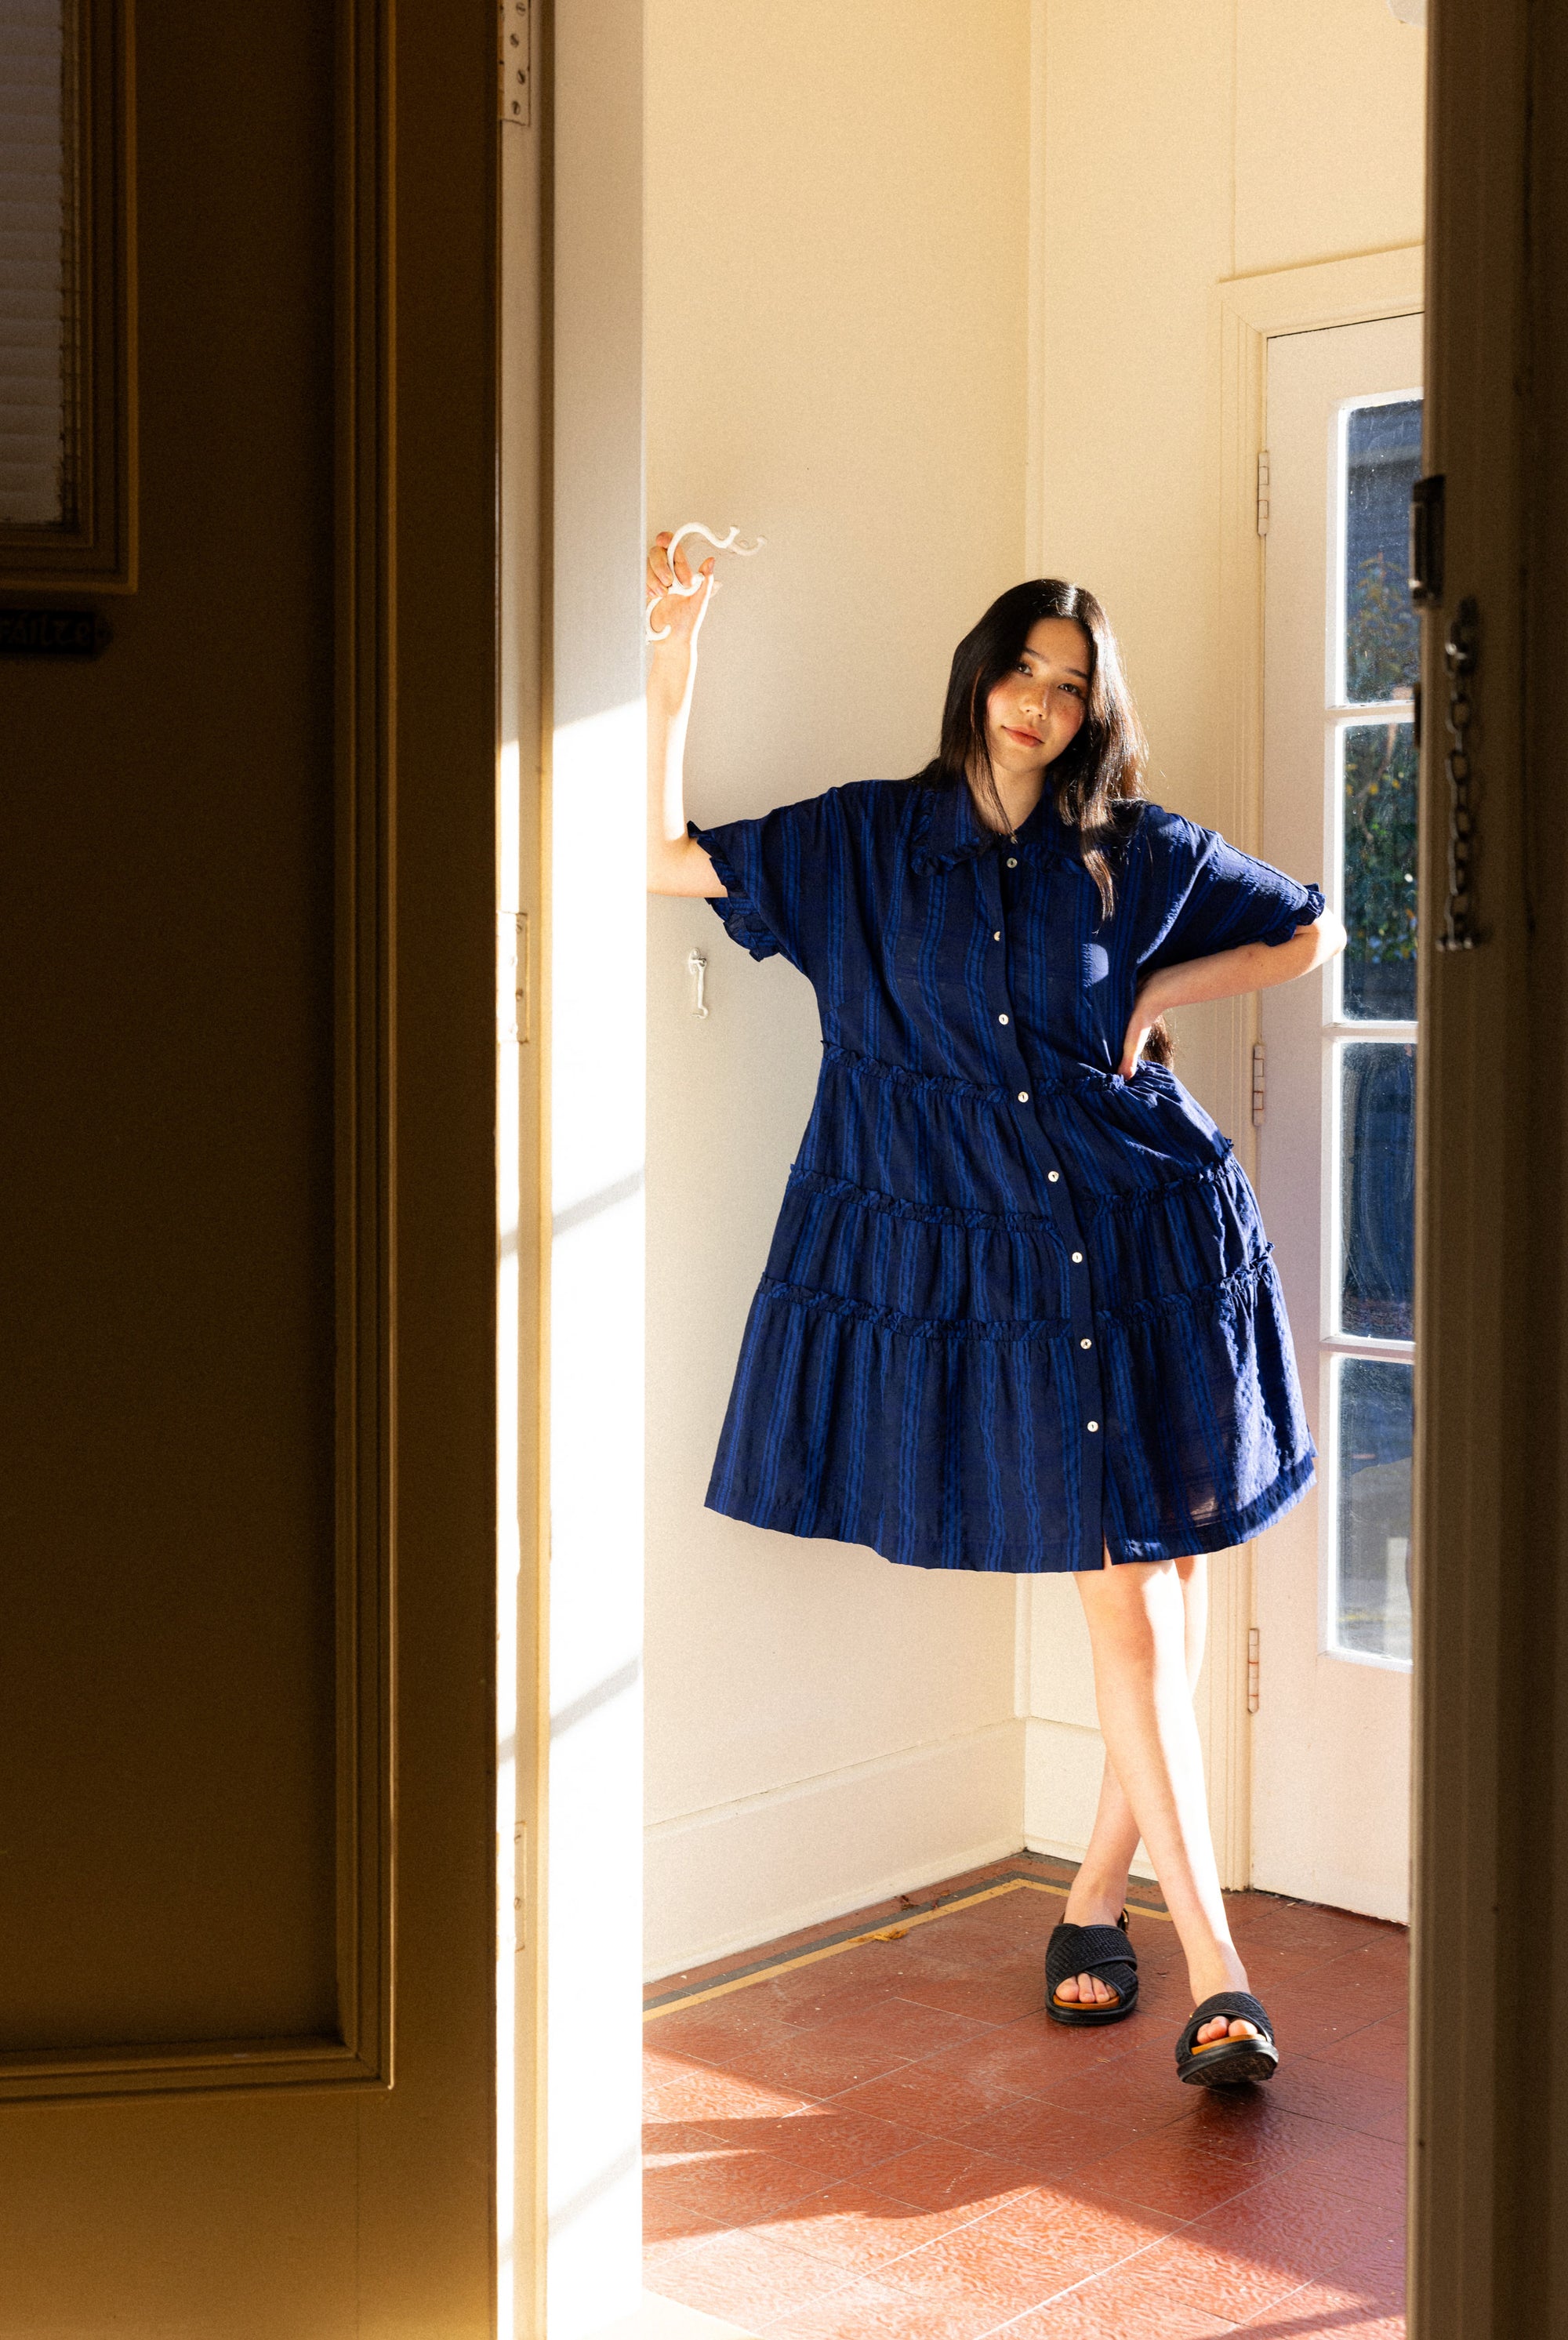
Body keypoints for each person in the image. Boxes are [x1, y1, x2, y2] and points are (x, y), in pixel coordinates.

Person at [645, 532, 1345, 2089]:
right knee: (1135, 1592)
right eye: (1022, 669)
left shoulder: (1126, 854)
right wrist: (675, 650)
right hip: (993, 1272)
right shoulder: (866, 842)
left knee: (1135, 1588)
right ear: (979, 673)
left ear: (1091, 713)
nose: (1037, 702)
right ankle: (1108, 1906)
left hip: (1148, 1231)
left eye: (1068, 686)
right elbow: (656, 852)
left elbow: (1309, 930)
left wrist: (1160, 997)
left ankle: (1197, 1957)